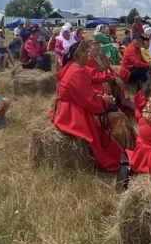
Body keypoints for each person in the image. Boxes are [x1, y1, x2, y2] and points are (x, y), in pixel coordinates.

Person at [50, 38, 133, 172]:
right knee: (112, 122)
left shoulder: (75, 69)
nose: (88, 57)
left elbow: (85, 94)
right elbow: (89, 102)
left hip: (73, 106)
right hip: (71, 113)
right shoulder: (76, 72)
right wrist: (105, 101)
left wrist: (100, 97)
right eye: (85, 55)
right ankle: (116, 156)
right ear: (78, 57)